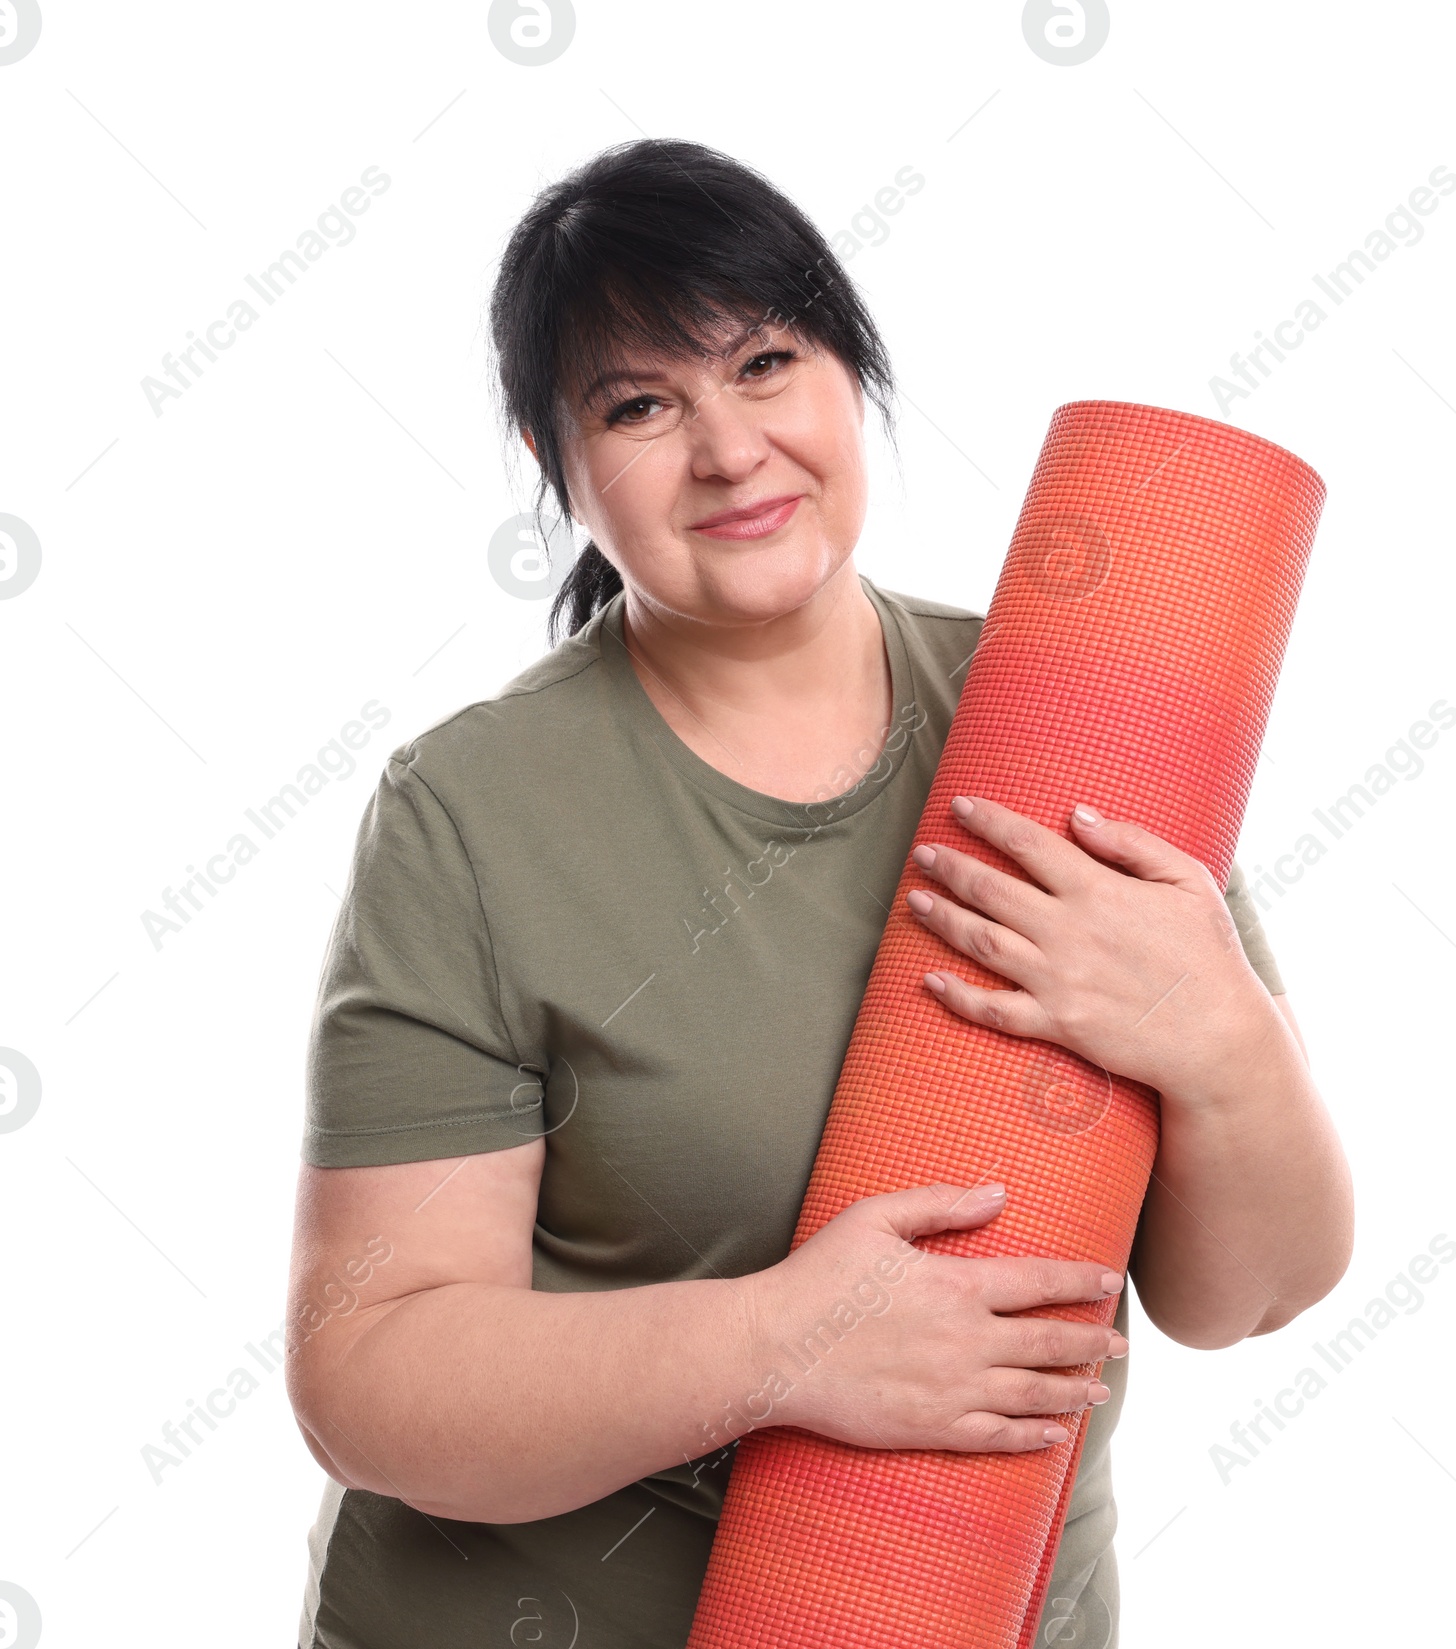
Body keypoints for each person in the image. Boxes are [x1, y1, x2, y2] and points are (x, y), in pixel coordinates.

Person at [286, 137, 1354, 1649]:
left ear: (852, 373)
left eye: (768, 362)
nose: (729, 450)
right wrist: (780, 1345)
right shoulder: (473, 813)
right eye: (640, 403)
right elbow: (371, 1381)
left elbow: (1243, 1296)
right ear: (553, 456)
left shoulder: (1068, 713)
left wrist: (1223, 1042)